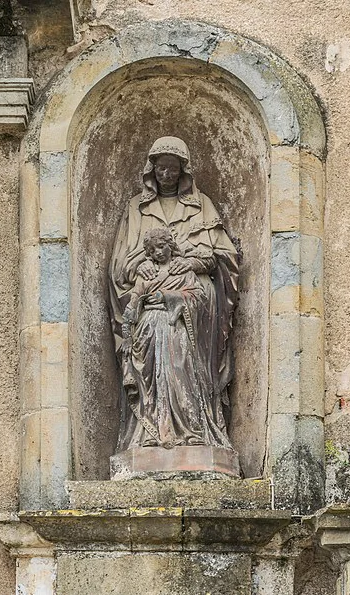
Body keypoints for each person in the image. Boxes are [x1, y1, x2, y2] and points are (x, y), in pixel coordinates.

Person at [110, 136, 239, 451]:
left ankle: (196, 427)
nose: (166, 175)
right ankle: (152, 430)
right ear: (151, 171)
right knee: (154, 349)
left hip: (192, 302)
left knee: (182, 355)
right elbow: (119, 268)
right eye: (160, 168)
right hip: (151, 305)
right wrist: (141, 266)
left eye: (172, 168)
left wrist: (190, 263)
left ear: (183, 171)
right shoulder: (136, 209)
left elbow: (223, 257)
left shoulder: (201, 206)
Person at [121, 228, 232, 449]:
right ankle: (152, 431)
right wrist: (127, 333)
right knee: (152, 380)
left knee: (181, 373)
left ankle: (190, 430)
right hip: (147, 331)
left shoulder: (183, 271)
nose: (158, 253)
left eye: (161, 247)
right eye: (153, 250)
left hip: (175, 329)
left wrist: (169, 296)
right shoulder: (146, 273)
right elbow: (134, 301)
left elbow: (199, 295)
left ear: (170, 246)